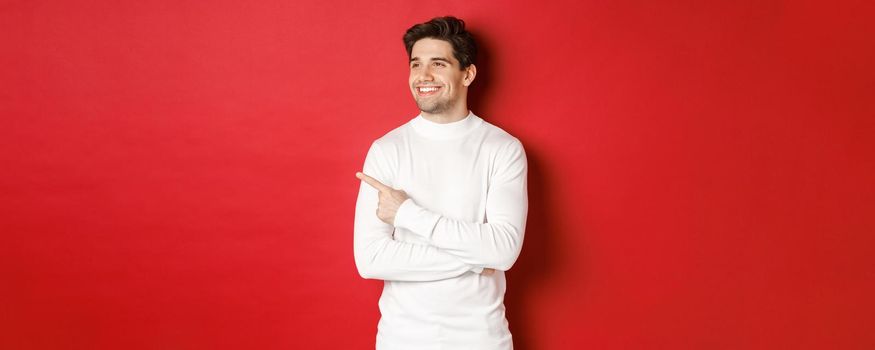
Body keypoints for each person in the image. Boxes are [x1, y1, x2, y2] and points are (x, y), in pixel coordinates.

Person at [353, 16, 528, 350]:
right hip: (401, 341)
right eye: (415, 64)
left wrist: (406, 215)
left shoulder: (503, 149)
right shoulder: (387, 150)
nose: (423, 76)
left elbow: (504, 250)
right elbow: (371, 259)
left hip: (482, 341)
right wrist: (476, 257)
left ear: (467, 74)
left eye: (438, 63)